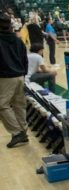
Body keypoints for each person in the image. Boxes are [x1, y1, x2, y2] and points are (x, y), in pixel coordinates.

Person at [0, 14, 29, 148]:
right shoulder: (18, 39)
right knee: (19, 105)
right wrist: (24, 73)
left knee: (3, 105)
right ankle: (23, 131)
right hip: (20, 75)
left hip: (6, 77)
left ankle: (17, 133)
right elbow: (25, 57)